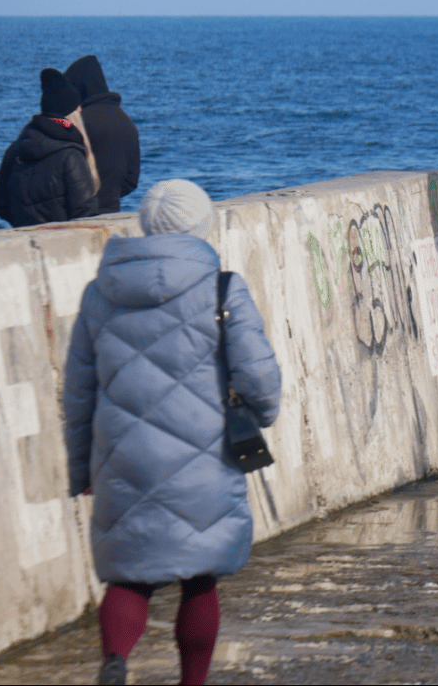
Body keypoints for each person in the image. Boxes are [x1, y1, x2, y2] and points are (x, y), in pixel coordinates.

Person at [63, 179, 282, 686]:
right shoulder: (223, 288)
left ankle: (115, 660)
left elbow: (77, 393)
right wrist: (261, 417)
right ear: (200, 227)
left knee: (128, 576)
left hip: (122, 456)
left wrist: (81, 469)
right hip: (204, 456)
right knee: (200, 577)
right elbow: (259, 376)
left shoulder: (100, 294)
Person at [0, 68, 100, 227]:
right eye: (77, 109)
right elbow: (87, 213)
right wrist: (107, 235)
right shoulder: (71, 156)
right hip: (63, 245)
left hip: (24, 241)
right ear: (70, 117)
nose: (81, 111)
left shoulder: (16, 149)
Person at [65, 54, 141, 214]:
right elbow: (131, 180)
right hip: (111, 215)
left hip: (78, 217)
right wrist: (109, 196)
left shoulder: (78, 122)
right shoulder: (127, 123)